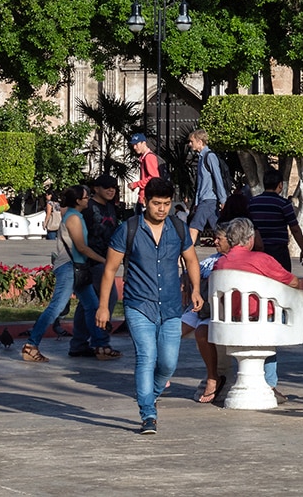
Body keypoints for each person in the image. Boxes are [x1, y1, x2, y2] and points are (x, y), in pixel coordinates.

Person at [191, 216, 303, 403]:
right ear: (250, 239)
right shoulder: (261, 259)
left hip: (232, 321)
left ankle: (270, 384)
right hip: (261, 319)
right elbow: (294, 282)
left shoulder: (220, 263)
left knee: (267, 325)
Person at [97, 178, 203, 435]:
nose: (162, 209)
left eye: (167, 204)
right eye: (157, 203)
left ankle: (151, 394)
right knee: (146, 357)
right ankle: (148, 413)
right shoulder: (128, 229)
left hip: (170, 306)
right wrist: (103, 306)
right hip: (138, 304)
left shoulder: (178, 228)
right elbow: (110, 269)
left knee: (168, 363)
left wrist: (196, 289)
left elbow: (190, 260)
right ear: (145, 201)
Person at [23, 185, 88, 363]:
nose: (87, 200)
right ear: (77, 200)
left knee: (92, 305)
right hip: (69, 266)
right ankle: (31, 344)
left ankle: (98, 344)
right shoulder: (72, 217)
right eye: (85, 197)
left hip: (77, 266)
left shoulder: (75, 215)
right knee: (57, 307)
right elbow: (81, 247)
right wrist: (105, 260)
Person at [70, 175, 123, 360]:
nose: (111, 190)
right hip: (92, 260)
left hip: (106, 258)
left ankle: (78, 343)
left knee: (86, 305)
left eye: (114, 187)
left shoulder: (110, 207)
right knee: (107, 299)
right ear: (96, 188)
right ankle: (100, 343)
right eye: (107, 187)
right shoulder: (88, 208)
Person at [246, 169, 303, 271]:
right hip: (278, 251)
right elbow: (295, 229)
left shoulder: (252, 203)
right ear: (280, 185)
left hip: (256, 250)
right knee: (282, 280)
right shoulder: (284, 204)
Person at [188, 129, 227, 242]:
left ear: (200, 142)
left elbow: (217, 178)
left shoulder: (210, 156)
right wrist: (196, 201)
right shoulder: (201, 158)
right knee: (219, 230)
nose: (190, 144)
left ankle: (186, 257)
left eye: (192, 141)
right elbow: (200, 183)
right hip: (204, 199)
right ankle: (231, 252)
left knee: (193, 227)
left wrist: (223, 199)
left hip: (209, 199)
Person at [128, 134, 162, 210]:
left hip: (146, 198)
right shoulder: (145, 157)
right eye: (133, 145)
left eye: (136, 144)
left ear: (144, 143)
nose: (134, 147)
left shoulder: (149, 157)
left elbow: (154, 178)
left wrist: (136, 184)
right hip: (145, 197)